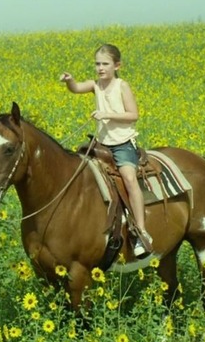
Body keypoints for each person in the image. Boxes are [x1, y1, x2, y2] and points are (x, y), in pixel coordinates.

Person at [60, 44, 152, 258]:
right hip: (101, 145)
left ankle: (141, 231)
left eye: (105, 64)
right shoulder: (96, 84)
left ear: (117, 65)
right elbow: (76, 89)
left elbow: (133, 115)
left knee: (129, 179)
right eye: (97, 64)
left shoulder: (122, 86)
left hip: (122, 143)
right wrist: (69, 81)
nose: (100, 68)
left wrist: (107, 114)